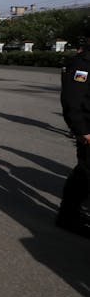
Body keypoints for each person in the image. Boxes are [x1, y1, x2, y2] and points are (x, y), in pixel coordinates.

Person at [57, 17, 90, 239]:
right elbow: (72, 100)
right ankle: (68, 216)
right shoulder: (82, 64)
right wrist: (82, 130)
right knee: (85, 172)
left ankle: (74, 211)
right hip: (89, 129)